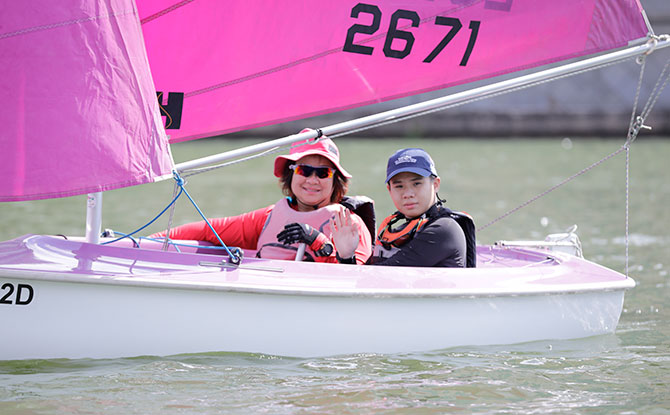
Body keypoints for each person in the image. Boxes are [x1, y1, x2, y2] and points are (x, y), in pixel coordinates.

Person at [150, 129, 372, 264]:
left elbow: (354, 285)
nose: (312, 180)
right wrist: (150, 240)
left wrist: (318, 242)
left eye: (323, 173)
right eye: (304, 170)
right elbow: (207, 230)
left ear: (335, 181)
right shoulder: (267, 216)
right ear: (291, 174)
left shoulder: (350, 225)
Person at [331, 148, 475, 267]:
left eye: (417, 184)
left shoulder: (444, 230)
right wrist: (346, 255)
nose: (408, 194)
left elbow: (376, 277)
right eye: (399, 186)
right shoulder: (397, 229)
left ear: (435, 184)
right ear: (389, 190)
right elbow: (367, 280)